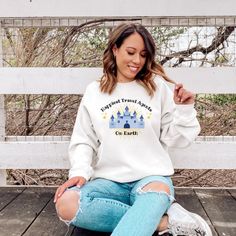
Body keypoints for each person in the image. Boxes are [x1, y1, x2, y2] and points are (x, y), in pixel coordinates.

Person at [54, 23, 212, 236]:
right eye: (131, 52)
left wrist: (184, 110)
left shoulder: (157, 88)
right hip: (108, 183)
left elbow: (178, 140)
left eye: (143, 55)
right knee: (66, 204)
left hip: (151, 180)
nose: (137, 61)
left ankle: (150, 213)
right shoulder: (95, 91)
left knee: (156, 194)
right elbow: (84, 139)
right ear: (115, 49)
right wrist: (80, 171)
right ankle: (165, 222)